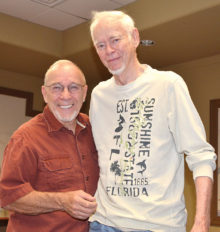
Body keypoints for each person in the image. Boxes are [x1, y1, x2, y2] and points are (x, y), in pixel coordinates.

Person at [88, 10, 216, 232]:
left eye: (115, 40)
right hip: (103, 223)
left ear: (135, 37)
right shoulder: (99, 95)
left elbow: (201, 155)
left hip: (157, 226)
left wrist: (202, 222)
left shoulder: (168, 84)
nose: (109, 50)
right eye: (100, 45)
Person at [0, 60, 99, 232]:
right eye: (57, 88)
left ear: (84, 93)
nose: (66, 96)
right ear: (45, 93)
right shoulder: (25, 138)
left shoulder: (96, 129)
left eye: (74, 87)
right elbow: (8, 196)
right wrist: (62, 201)